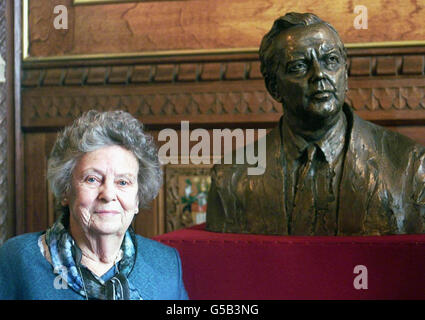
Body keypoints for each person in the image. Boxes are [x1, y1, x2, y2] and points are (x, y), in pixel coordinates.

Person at [206, 12, 425, 236]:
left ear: (345, 75)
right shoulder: (231, 178)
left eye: (331, 60)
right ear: (274, 87)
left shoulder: (409, 165)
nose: (319, 75)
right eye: (299, 66)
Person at [0, 110, 188, 300]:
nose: (108, 194)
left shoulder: (166, 264)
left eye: (123, 182)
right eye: (92, 179)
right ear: (66, 190)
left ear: (137, 199)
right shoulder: (17, 261)